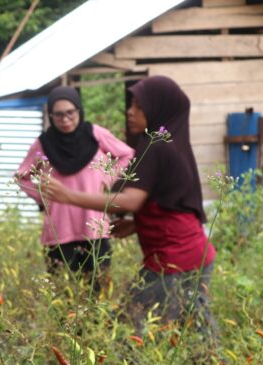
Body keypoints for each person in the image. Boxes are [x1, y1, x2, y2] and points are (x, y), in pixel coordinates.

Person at [41, 76, 218, 338]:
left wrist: (69, 195)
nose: (130, 111)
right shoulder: (171, 143)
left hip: (174, 258)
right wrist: (139, 224)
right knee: (193, 331)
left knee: (129, 330)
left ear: (158, 108)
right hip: (194, 254)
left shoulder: (156, 146)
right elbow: (171, 202)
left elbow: (132, 200)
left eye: (138, 106)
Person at [16, 86, 133, 277]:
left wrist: (107, 177)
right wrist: (42, 196)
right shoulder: (44, 143)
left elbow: (127, 154)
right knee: (63, 296)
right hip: (59, 231)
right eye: (58, 115)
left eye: (70, 112)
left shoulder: (95, 134)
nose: (65, 119)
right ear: (51, 116)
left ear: (79, 110)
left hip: (94, 227)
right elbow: (21, 177)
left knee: (98, 292)